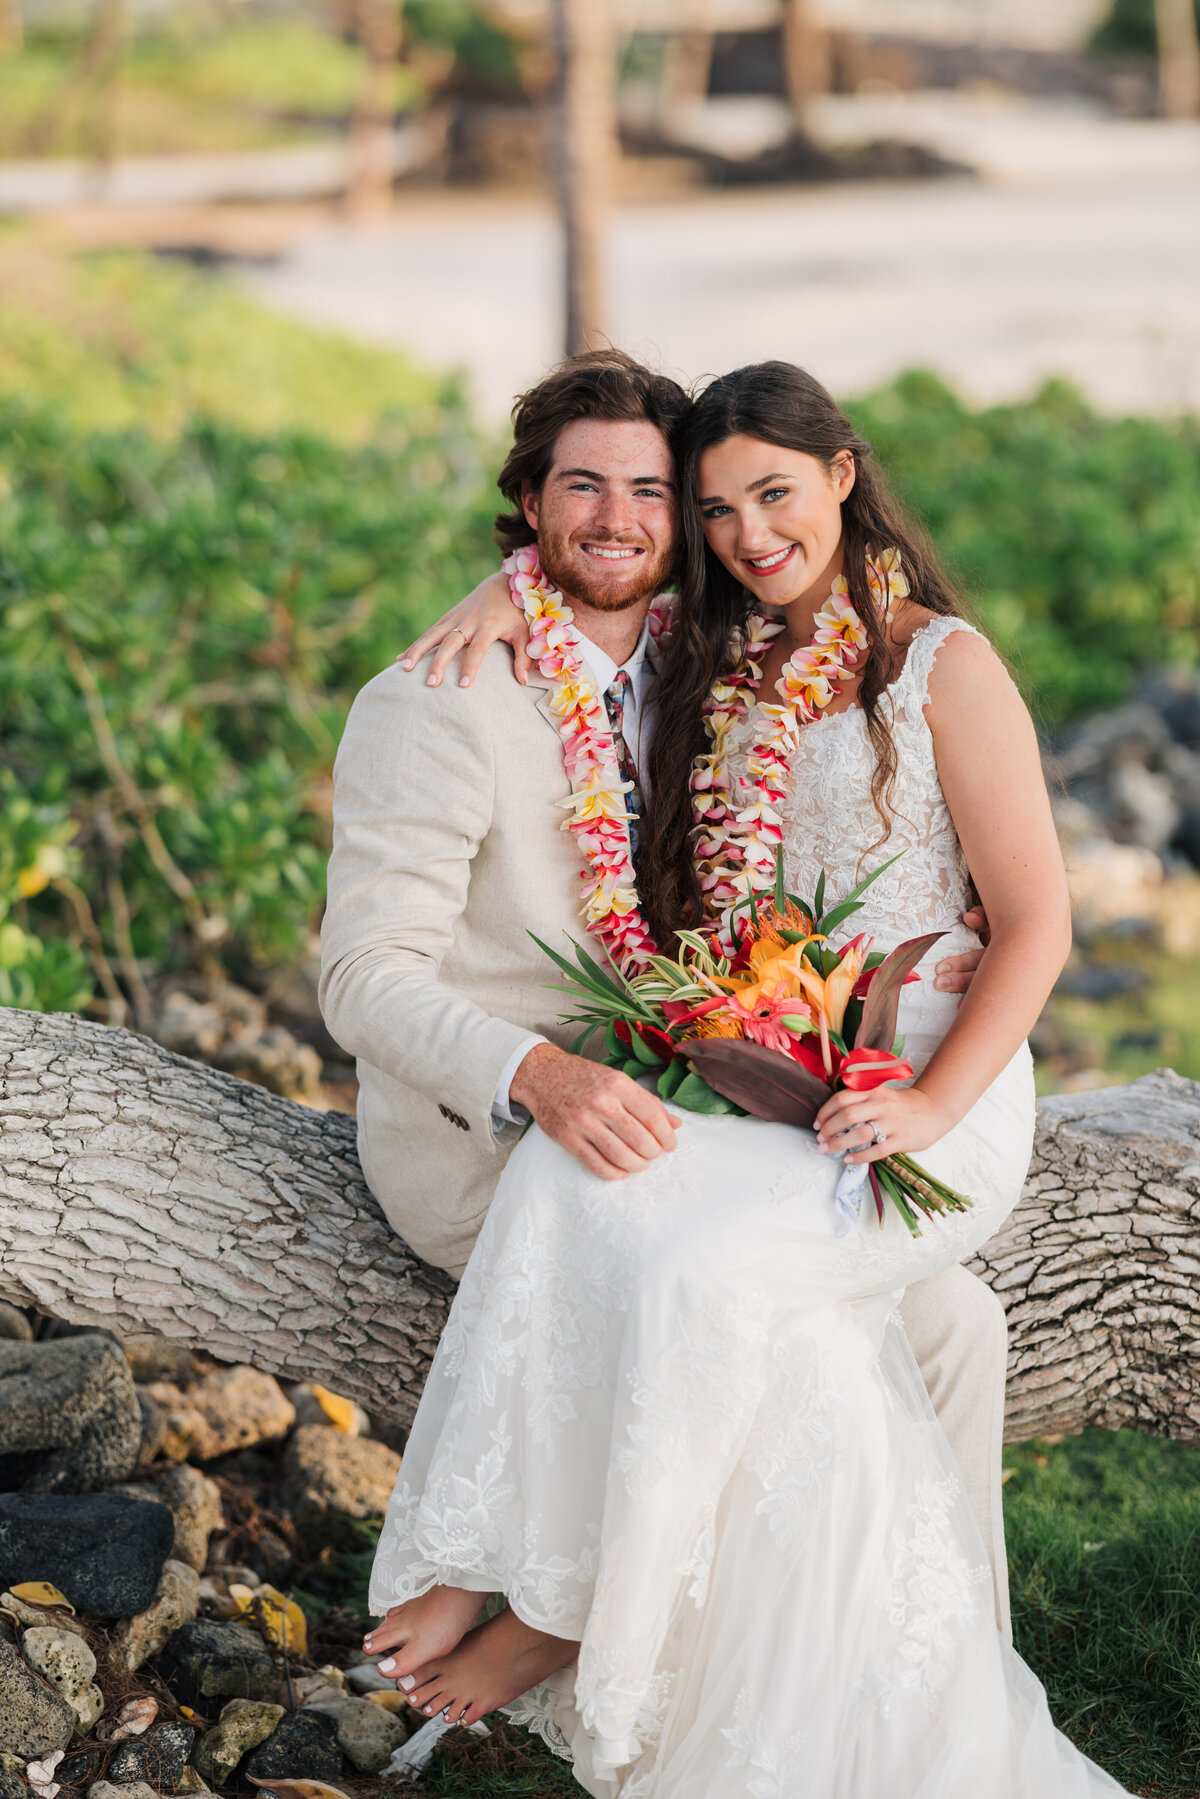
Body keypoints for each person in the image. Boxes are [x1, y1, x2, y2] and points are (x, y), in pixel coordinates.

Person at [348, 358, 1127, 1797]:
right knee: (760, 1284)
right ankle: (884, 1688)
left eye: (757, 493)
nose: (735, 531)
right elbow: (362, 970)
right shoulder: (716, 662)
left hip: (913, 1089)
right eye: (711, 507)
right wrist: (502, 586)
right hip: (721, 1089)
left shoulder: (931, 664)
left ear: (843, 473)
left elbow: (1039, 922)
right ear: (532, 515)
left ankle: (569, 1617)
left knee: (727, 1287)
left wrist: (932, 1101)